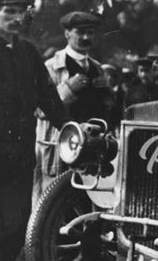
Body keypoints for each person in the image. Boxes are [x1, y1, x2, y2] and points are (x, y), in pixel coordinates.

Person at [0, 0, 66, 261]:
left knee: (17, 225)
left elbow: (48, 97)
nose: (16, 19)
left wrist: (69, 127)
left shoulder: (29, 53)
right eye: (8, 13)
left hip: (20, 152)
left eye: (21, 13)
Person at [35, 11, 117, 198]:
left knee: (89, 205)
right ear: (67, 34)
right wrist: (68, 88)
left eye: (90, 32)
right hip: (60, 150)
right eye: (80, 32)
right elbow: (39, 110)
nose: (86, 37)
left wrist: (108, 93)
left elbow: (107, 111)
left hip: (90, 152)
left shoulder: (97, 68)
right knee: (52, 208)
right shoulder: (51, 67)